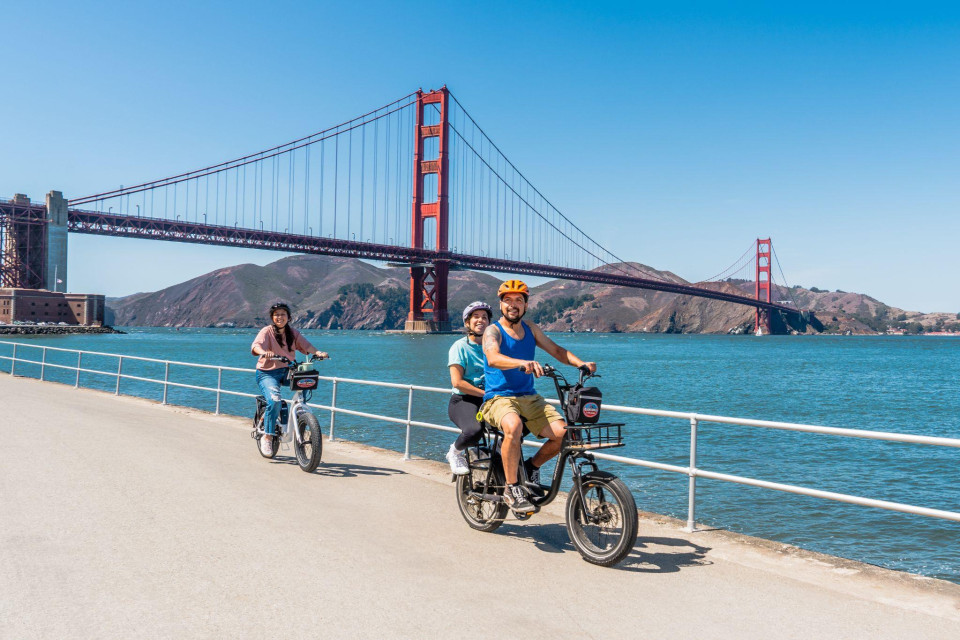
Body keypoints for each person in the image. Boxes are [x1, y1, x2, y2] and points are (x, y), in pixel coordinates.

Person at [481, 279, 597, 513]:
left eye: (519, 300)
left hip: (529, 398)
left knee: (566, 435)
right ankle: (511, 488)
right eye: (508, 300)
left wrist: (580, 363)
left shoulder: (531, 329)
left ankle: (531, 466)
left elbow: (556, 350)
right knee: (513, 426)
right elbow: (492, 357)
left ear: (525, 305)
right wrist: (522, 363)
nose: (513, 305)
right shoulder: (492, 331)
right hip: (498, 398)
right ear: (501, 304)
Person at [250, 301, 328, 456]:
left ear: (289, 317)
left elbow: (307, 346)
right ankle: (267, 436)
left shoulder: (293, 333)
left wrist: (318, 352)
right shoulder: (266, 331)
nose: (280, 317)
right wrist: (264, 352)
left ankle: (301, 411)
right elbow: (255, 346)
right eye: (276, 315)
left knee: (304, 380)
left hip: (286, 370)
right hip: (267, 372)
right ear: (272, 317)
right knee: (275, 401)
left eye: (283, 314)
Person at [445, 301, 493, 475]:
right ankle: (454, 452)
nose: (481, 320)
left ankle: (502, 460)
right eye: (476, 317)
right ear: (467, 322)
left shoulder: (494, 346)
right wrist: (486, 393)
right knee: (474, 431)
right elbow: (457, 382)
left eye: (484, 317)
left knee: (518, 426)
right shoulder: (459, 347)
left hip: (490, 399)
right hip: (464, 400)